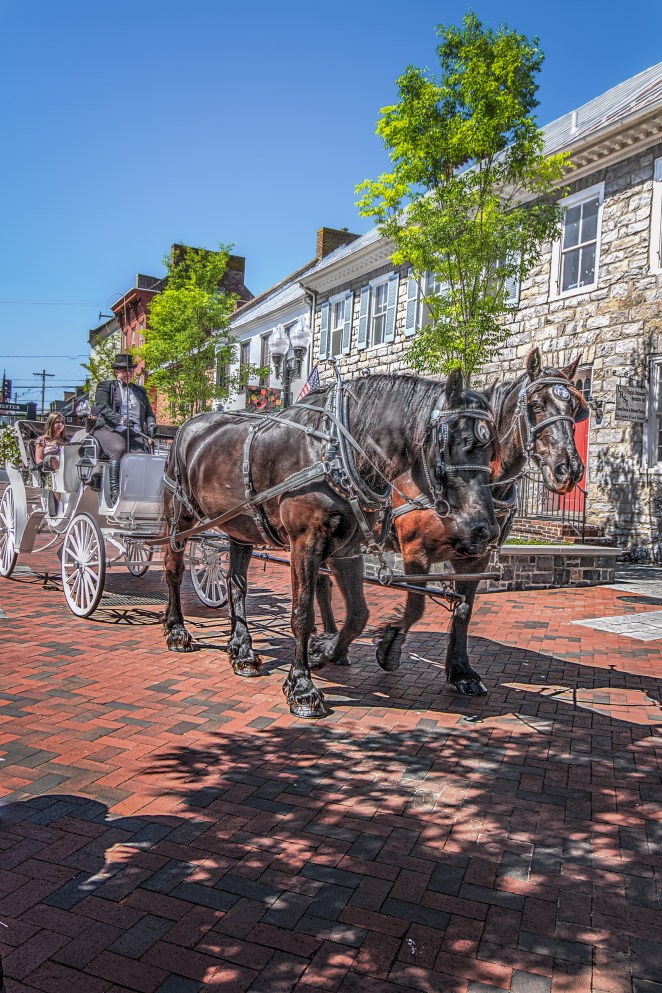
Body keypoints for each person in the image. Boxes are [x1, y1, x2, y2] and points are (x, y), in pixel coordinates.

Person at [94, 355, 156, 503]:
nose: (129, 373)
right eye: (125, 370)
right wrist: (120, 419)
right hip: (109, 428)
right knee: (118, 448)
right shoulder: (105, 386)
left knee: (144, 455)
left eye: (131, 370)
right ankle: (115, 493)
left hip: (134, 431)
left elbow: (149, 413)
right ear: (116, 371)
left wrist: (151, 424)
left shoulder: (140, 391)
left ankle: (138, 493)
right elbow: (102, 407)